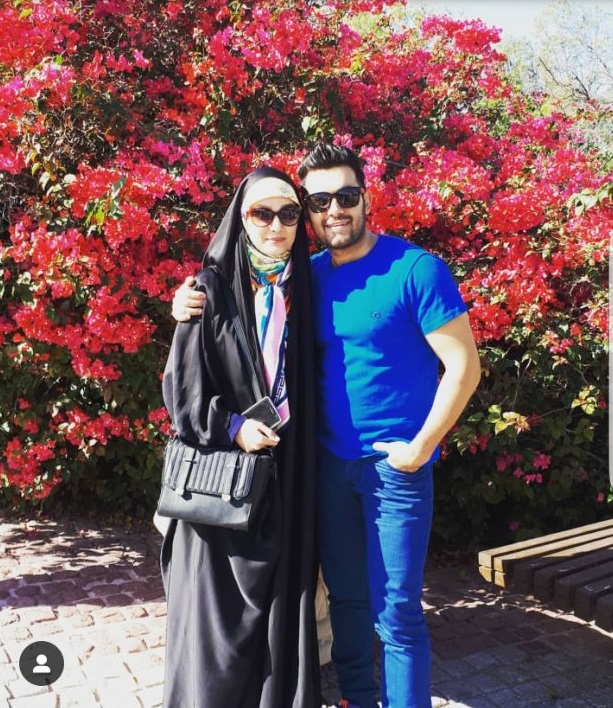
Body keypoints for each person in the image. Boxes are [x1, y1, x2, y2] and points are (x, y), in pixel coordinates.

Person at [172, 144, 482, 708]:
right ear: (309, 213)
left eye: (346, 196)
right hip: (327, 468)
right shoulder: (305, 279)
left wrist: (420, 448)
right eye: (318, 201)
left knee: (397, 613)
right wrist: (187, 300)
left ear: (366, 197)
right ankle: (358, 700)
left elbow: (464, 367)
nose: (334, 209)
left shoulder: (416, 270)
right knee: (346, 602)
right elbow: (242, 301)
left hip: (394, 472)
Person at [160, 166, 321, 708]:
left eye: (289, 214)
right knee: (216, 630)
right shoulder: (207, 290)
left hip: (287, 476)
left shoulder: (307, 288)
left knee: (280, 621)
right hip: (224, 484)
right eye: (261, 213)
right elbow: (182, 393)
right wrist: (232, 428)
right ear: (240, 219)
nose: (276, 225)